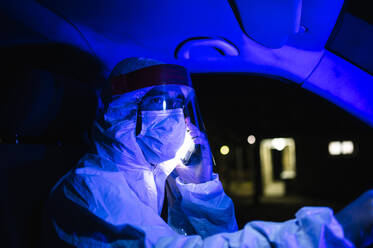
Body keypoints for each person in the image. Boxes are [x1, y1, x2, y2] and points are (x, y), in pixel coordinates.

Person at [44, 57, 373, 248]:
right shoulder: (89, 189)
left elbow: (220, 238)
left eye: (179, 104)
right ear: (124, 115)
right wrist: (331, 232)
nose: (177, 117)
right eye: (162, 102)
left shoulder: (154, 177)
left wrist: (200, 187)